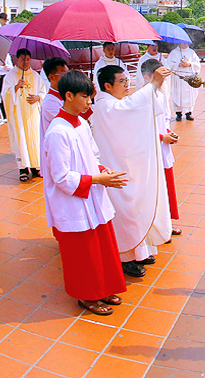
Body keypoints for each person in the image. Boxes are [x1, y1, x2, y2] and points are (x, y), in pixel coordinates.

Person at [42, 70, 128, 316]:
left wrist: (102, 170)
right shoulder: (58, 132)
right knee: (83, 253)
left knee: (101, 246)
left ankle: (104, 287)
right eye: (85, 97)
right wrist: (97, 179)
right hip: (74, 202)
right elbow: (61, 177)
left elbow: (92, 156)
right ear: (68, 96)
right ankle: (87, 296)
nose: (89, 102)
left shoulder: (81, 124)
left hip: (92, 195)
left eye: (91, 97)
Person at [92, 65, 173, 278]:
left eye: (127, 80)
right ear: (107, 86)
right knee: (126, 210)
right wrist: (153, 84)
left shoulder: (115, 103)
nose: (126, 85)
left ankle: (140, 249)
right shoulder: (104, 106)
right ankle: (125, 258)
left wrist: (152, 88)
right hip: (115, 168)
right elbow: (129, 108)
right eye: (121, 82)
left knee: (136, 207)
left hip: (128, 163)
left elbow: (135, 109)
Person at [143, 58, 182, 238]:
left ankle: (167, 223)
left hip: (164, 147)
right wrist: (160, 137)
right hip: (152, 149)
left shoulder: (160, 94)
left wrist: (168, 133)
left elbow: (164, 119)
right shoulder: (142, 98)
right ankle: (155, 226)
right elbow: (140, 128)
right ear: (148, 77)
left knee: (167, 187)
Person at [3, 48, 46, 182]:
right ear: (16, 60)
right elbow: (5, 95)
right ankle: (23, 168)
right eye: (23, 59)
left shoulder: (35, 75)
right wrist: (15, 87)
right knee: (21, 139)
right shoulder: (10, 76)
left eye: (28, 59)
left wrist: (38, 97)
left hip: (32, 114)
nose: (26, 62)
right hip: (19, 115)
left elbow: (43, 91)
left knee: (35, 138)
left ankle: (35, 166)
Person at [164, 43, 200, 121]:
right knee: (177, 94)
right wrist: (178, 65)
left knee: (189, 95)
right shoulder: (174, 52)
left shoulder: (191, 52)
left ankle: (188, 113)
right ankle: (178, 113)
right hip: (178, 78)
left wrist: (190, 64)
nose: (184, 44)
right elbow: (169, 64)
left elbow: (197, 64)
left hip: (189, 78)